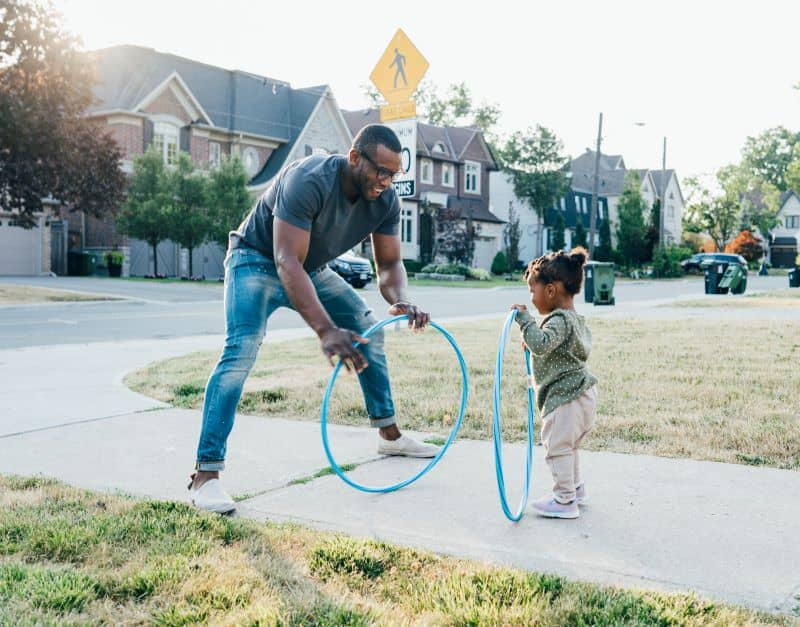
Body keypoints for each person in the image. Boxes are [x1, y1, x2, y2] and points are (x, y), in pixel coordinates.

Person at [189, 124, 440, 513]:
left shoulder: (385, 200)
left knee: (366, 326)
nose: (387, 182)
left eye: (394, 175)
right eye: (381, 172)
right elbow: (285, 259)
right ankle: (206, 475)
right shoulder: (309, 178)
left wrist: (403, 299)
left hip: (310, 267)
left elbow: (389, 264)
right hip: (255, 259)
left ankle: (389, 434)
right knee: (241, 350)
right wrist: (324, 330)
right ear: (355, 158)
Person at [511, 247, 598, 519]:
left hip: (566, 399)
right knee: (569, 447)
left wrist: (525, 321)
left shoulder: (558, 320)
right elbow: (552, 347)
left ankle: (564, 500)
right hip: (583, 396)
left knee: (557, 448)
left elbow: (542, 343)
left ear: (550, 291)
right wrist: (535, 339)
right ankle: (575, 488)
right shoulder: (574, 319)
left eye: (532, 291)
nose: (531, 298)